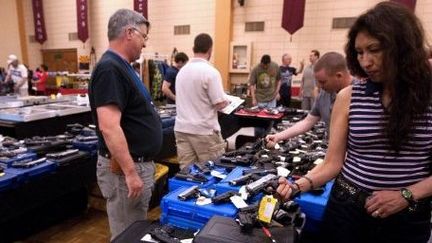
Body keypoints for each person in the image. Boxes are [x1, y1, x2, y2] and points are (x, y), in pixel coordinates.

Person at [277, 2, 432, 243]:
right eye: (359, 53)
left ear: (402, 47)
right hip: (347, 208)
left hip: (407, 214)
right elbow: (332, 163)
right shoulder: (348, 96)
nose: (365, 62)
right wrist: (297, 186)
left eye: (374, 49)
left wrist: (405, 195)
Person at [88, 9, 162, 239]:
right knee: (126, 234)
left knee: (134, 228)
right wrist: (130, 172)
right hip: (123, 171)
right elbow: (109, 127)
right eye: (144, 37)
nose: (145, 44)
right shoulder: (110, 69)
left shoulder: (122, 67)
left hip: (133, 166)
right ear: (129, 33)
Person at [266, 52, 352, 147]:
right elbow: (308, 121)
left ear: (339, 76)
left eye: (323, 82)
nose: (319, 86)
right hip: (334, 151)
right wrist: (279, 136)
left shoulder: (360, 95)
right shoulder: (324, 93)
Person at [174, 33, 229, 169]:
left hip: (182, 129)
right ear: (210, 50)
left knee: (187, 174)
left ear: (193, 48)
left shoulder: (181, 72)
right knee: (213, 171)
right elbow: (219, 103)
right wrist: (227, 100)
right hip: (204, 132)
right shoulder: (210, 72)